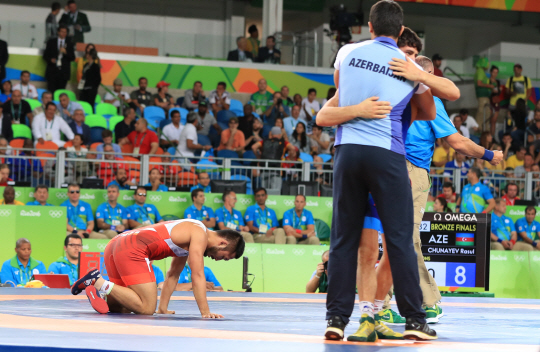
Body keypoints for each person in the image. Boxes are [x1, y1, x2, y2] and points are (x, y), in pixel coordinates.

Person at [317, 1, 441, 341]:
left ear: (368, 27)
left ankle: (336, 320)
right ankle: (415, 321)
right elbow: (429, 110)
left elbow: (342, 94)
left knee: (343, 241)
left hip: (347, 152)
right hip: (387, 154)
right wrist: (419, 76)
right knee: (399, 240)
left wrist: (359, 107)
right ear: (400, 32)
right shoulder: (408, 65)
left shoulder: (346, 52)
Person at [71, 219, 245, 317]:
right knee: (146, 308)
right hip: (133, 247)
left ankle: (99, 290)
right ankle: (97, 280)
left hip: (116, 243)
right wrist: (205, 312)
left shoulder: (191, 235)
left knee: (122, 308)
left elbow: (173, 275)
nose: (217, 259)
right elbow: (198, 275)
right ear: (223, 243)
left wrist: (163, 307)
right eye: (223, 257)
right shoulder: (200, 234)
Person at [43, 24, 75, 93]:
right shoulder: (51, 42)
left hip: (63, 73)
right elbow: (45, 55)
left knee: (60, 93)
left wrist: (66, 52)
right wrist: (51, 60)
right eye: (62, 31)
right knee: (51, 92)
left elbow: (73, 57)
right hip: (52, 72)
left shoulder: (69, 43)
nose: (63, 33)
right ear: (58, 32)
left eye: (65, 32)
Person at [474, 57, 492, 130]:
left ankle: (484, 129)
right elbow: (479, 83)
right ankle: (479, 129)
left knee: (487, 112)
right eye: (487, 63)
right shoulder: (480, 71)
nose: (488, 65)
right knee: (482, 113)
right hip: (482, 96)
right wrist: (489, 85)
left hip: (484, 96)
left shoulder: (480, 71)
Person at [489, 65, 501, 136]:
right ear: (491, 72)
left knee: (494, 121)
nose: (495, 74)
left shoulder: (498, 82)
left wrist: (497, 90)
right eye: (494, 72)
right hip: (490, 101)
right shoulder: (488, 80)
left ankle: (492, 136)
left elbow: (498, 91)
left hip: (496, 101)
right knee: (489, 120)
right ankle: (487, 136)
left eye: (496, 72)